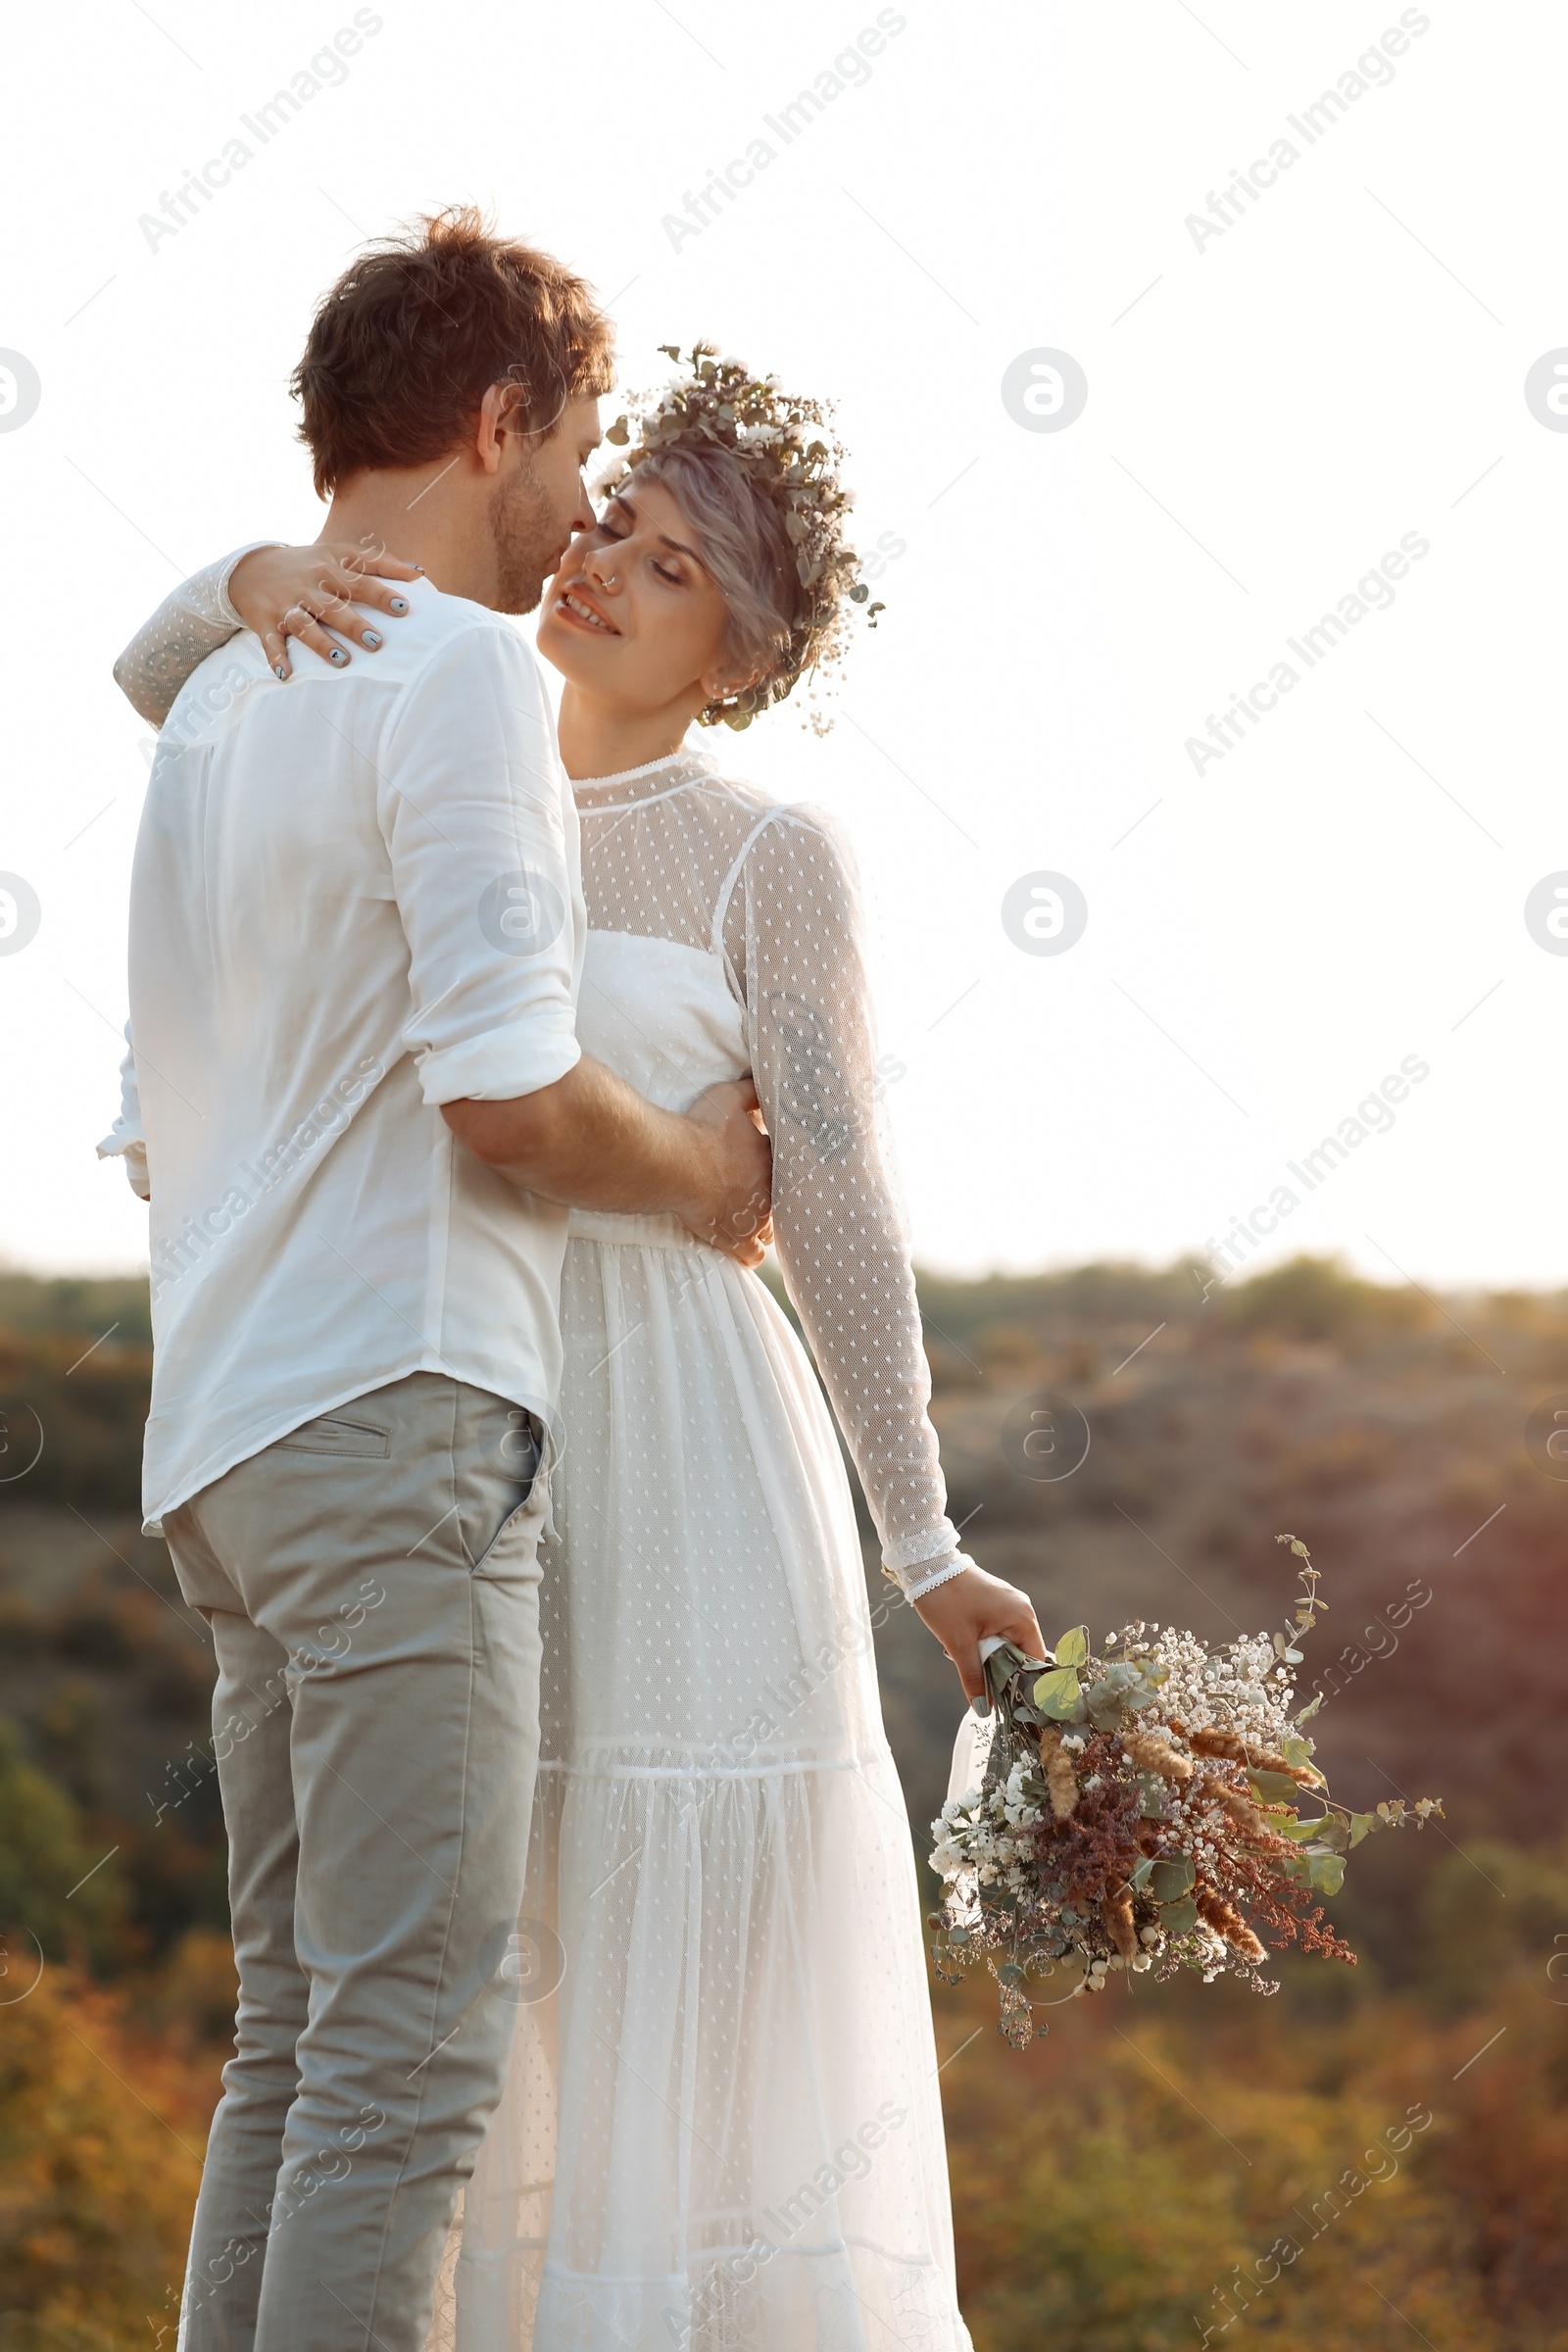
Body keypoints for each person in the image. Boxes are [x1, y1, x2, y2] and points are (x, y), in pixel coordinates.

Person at [114, 337, 1046, 2350]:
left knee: (656, 1981)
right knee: (447, 1999)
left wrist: (924, 1545)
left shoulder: (761, 858)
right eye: (610, 521)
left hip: (694, 1461)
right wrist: (248, 574)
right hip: (464, 1420)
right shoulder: (427, 744)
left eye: (672, 568)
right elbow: (177, 704)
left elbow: (842, 1207)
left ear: (740, 652)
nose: (607, 567)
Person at [102, 216, 771, 2352]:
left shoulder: (217, 687)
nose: (577, 513)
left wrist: (218, 580)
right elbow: (502, 1092)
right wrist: (695, 1169)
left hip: (221, 1444)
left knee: (298, 2047)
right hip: (395, 1424)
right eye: (571, 451)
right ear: (494, 425)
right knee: (403, 2068)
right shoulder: (460, 671)